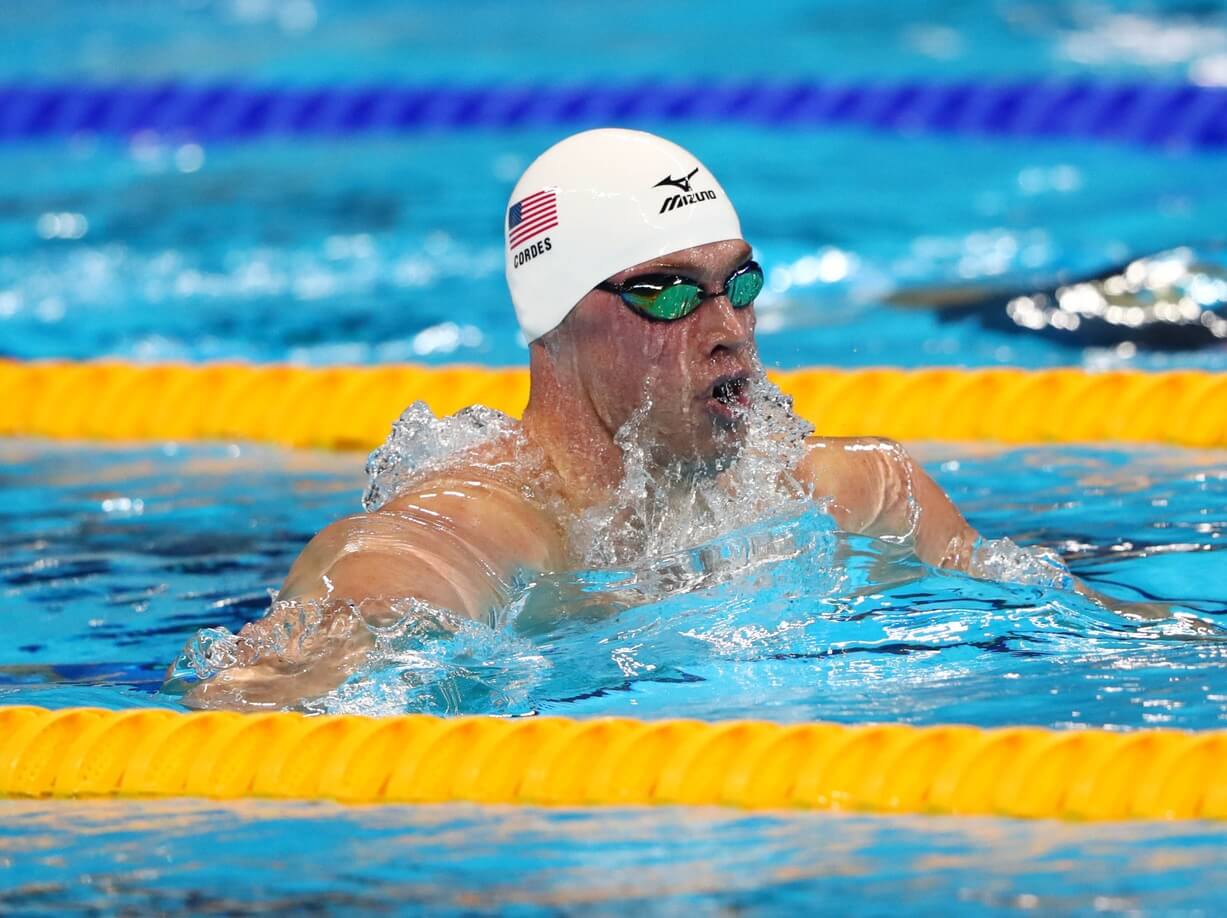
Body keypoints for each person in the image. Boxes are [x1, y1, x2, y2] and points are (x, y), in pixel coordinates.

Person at [179, 128, 1165, 710]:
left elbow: (1102, 640)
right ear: (553, 322)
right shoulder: (466, 537)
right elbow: (261, 710)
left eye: (741, 283)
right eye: (669, 294)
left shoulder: (861, 491)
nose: (730, 328)